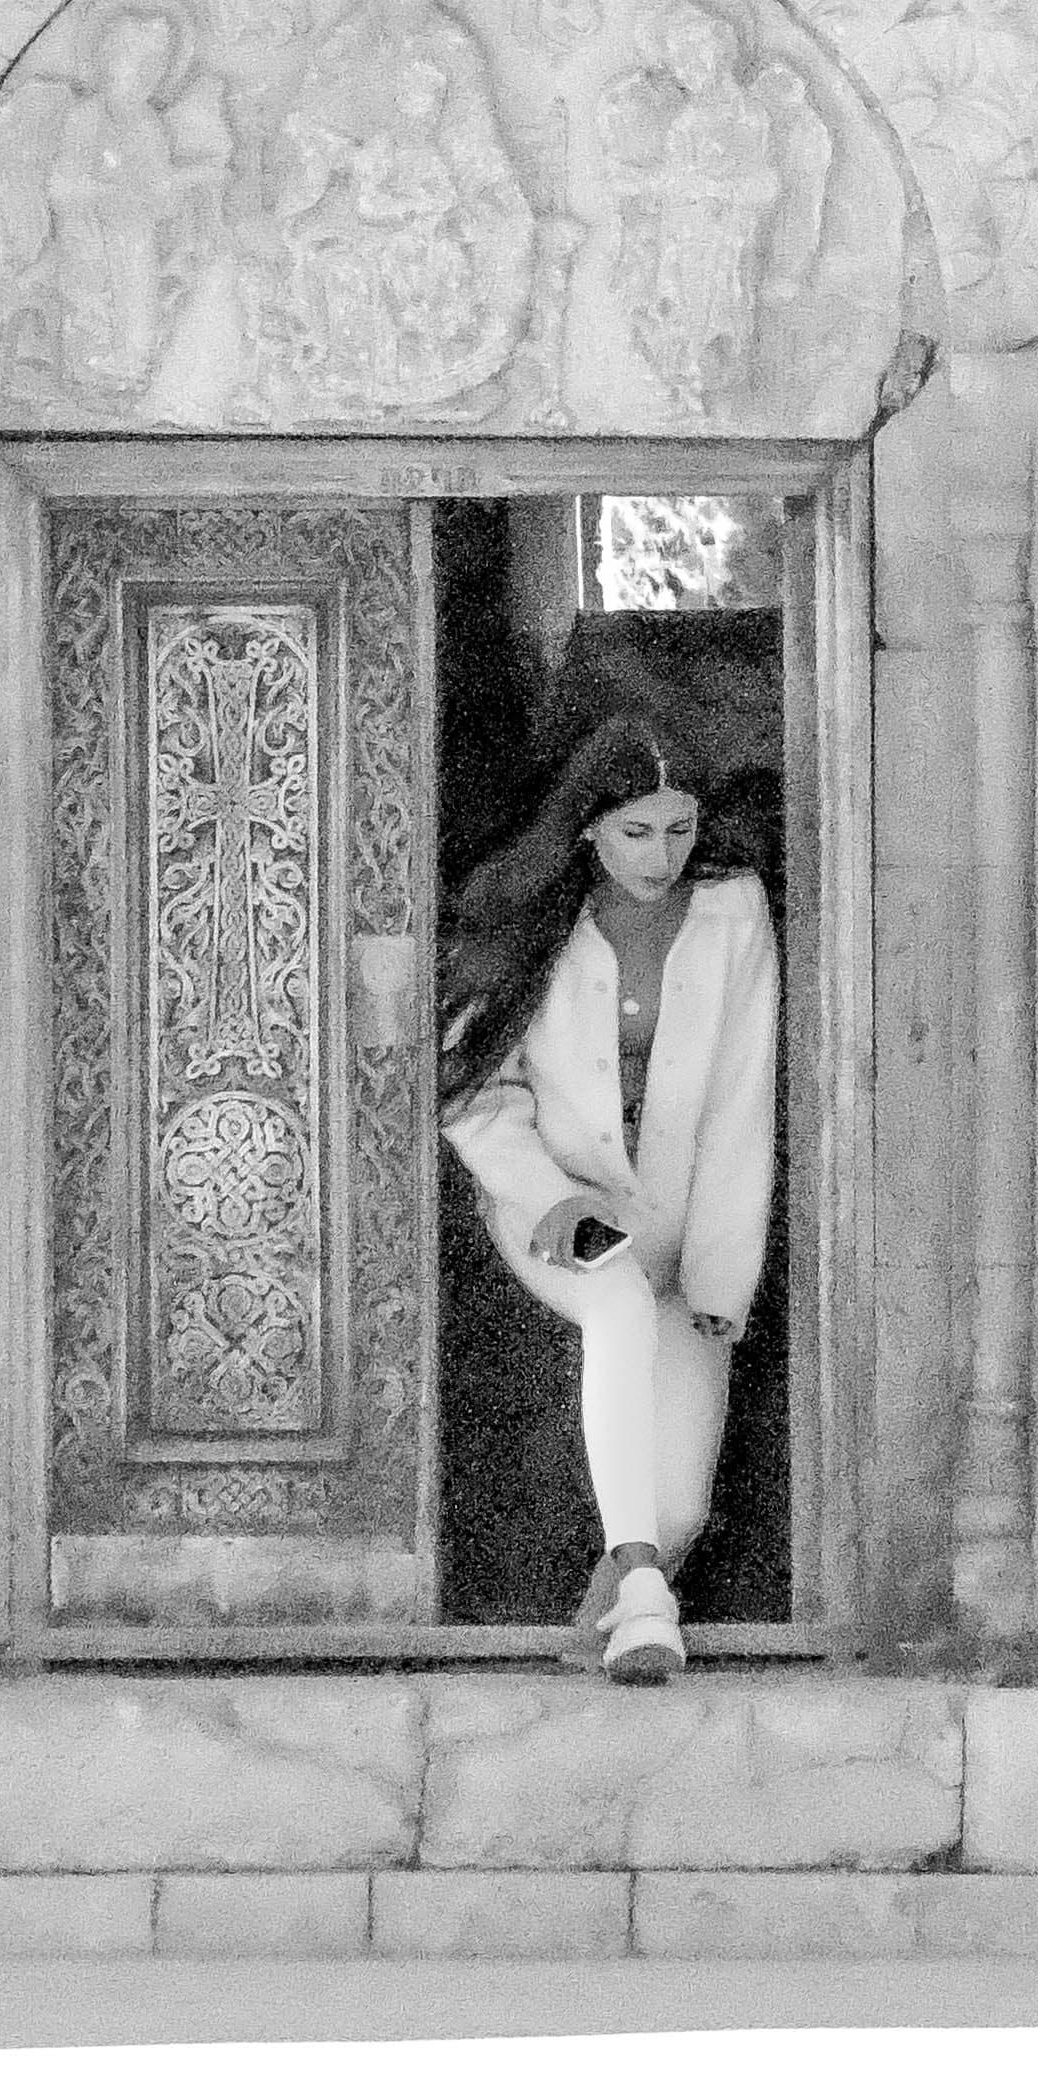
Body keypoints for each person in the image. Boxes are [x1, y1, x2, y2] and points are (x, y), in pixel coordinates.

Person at [437, 700, 779, 1683]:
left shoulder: (734, 912)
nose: (660, 853)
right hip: (552, 1208)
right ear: (586, 822)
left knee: (681, 1507)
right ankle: (639, 1595)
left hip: (676, 1218)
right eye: (635, 830)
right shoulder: (528, 911)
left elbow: (740, 1101)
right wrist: (544, 1194)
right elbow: (470, 1094)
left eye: (679, 830)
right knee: (619, 1306)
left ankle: (612, 1612)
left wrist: (719, 1283)